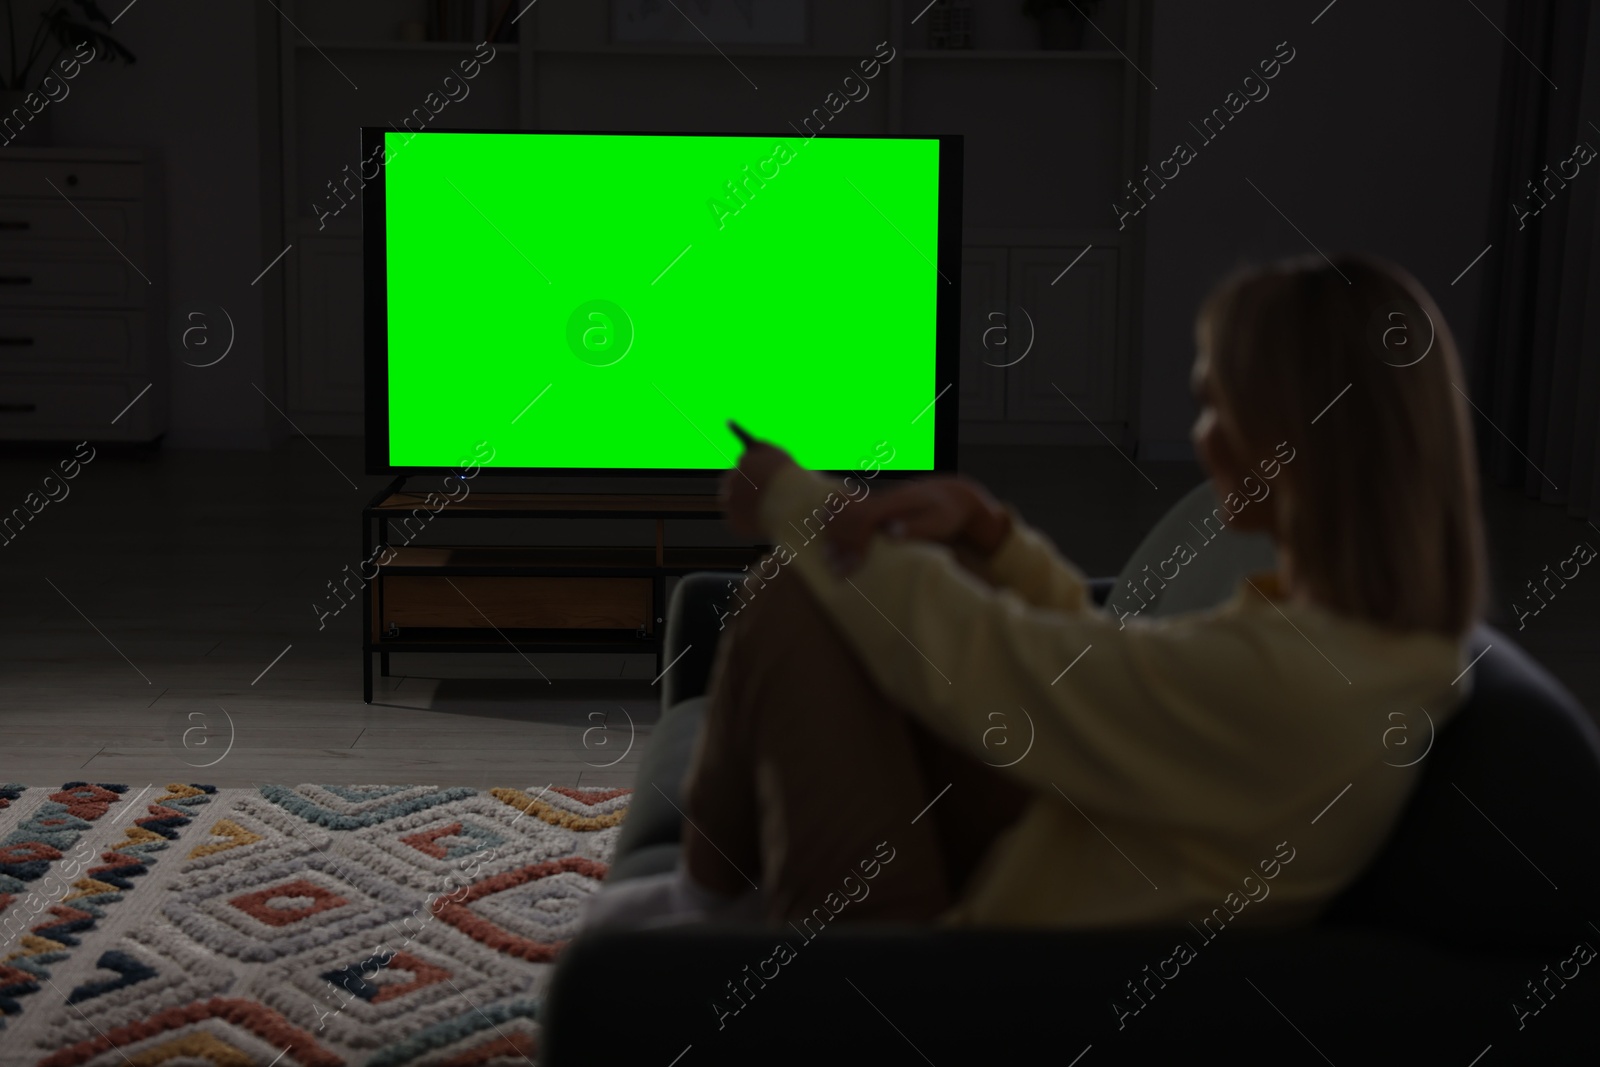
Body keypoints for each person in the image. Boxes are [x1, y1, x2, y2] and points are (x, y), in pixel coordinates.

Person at [583, 254, 1486, 931]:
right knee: (852, 579)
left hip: (989, 963)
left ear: (1295, 433)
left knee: (796, 589)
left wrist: (794, 498)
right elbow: (1113, 678)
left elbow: (1010, 667)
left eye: (1218, 403)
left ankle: (705, 912)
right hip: (1073, 838)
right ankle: (707, 891)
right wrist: (990, 535)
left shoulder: (1303, 681)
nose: (1202, 435)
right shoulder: (1372, 643)